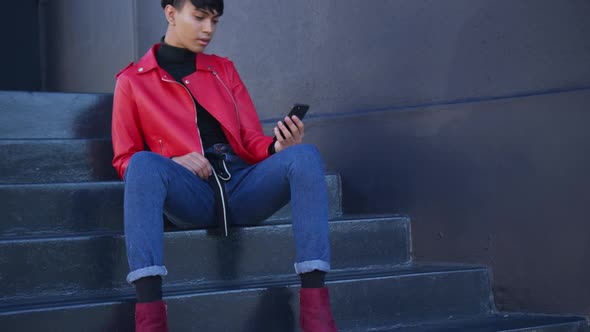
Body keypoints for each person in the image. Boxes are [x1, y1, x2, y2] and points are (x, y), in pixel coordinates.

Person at [111, 0, 337, 331]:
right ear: (171, 13)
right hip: (191, 190)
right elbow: (124, 159)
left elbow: (248, 140)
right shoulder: (132, 81)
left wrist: (276, 146)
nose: (209, 30)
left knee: (305, 155)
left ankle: (317, 314)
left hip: (242, 184)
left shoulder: (223, 69)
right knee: (143, 164)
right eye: (200, 17)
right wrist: (172, 161)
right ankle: (150, 319)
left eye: (214, 21)